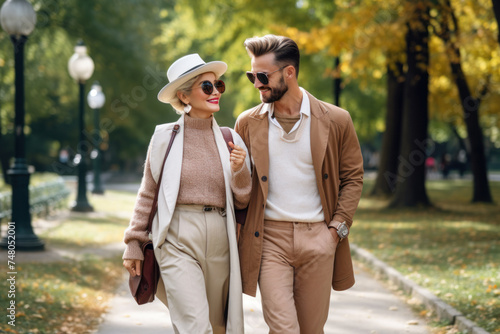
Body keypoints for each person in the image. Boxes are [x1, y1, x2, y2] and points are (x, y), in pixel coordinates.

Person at [235, 35, 364, 334]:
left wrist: (335, 232)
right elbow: (241, 184)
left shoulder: (337, 120)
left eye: (263, 76)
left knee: (310, 330)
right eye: (251, 76)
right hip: (269, 240)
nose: (256, 83)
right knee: (284, 328)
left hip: (318, 237)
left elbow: (353, 178)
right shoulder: (247, 122)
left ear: (289, 73)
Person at [122, 54, 251, 334]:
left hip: (222, 237)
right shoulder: (163, 137)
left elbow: (243, 200)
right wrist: (134, 242)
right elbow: (148, 193)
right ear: (184, 95)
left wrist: (240, 171)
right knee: (195, 325)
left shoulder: (231, 140)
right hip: (176, 237)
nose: (216, 92)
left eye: (219, 85)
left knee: (217, 326)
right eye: (207, 87)